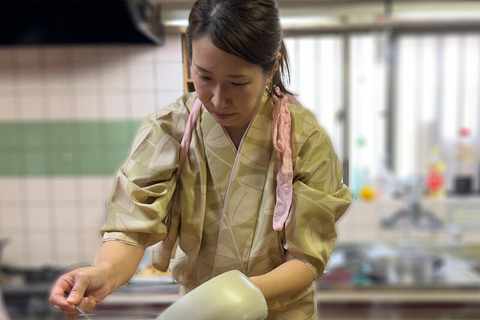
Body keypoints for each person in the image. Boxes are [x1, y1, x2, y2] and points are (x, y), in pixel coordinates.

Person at [49, 0, 351, 319]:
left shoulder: (305, 139)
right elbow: (131, 226)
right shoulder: (168, 129)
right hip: (200, 311)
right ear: (189, 58)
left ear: (272, 67)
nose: (218, 99)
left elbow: (306, 259)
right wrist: (106, 273)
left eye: (237, 83)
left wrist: (234, 297)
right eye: (204, 78)